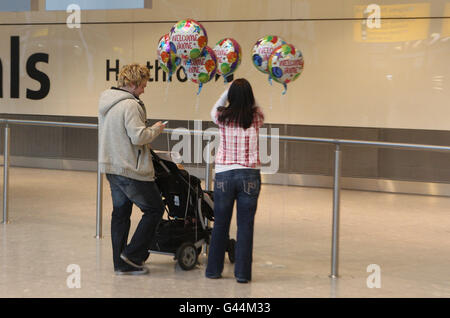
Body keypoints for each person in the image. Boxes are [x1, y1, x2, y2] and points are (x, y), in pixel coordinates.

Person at [98, 63, 166, 275]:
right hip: (130, 169)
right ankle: (133, 255)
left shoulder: (107, 101)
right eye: (143, 85)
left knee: (120, 214)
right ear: (133, 84)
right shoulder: (131, 105)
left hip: (111, 166)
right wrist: (155, 129)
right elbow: (138, 137)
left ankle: (121, 263)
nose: (144, 89)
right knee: (154, 209)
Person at [205, 78, 264, 283]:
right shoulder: (256, 116)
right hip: (249, 174)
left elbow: (214, 109)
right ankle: (242, 274)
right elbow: (256, 105)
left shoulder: (222, 116)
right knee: (245, 226)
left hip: (224, 174)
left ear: (230, 97)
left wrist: (227, 90)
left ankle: (213, 270)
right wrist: (247, 93)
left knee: (220, 223)